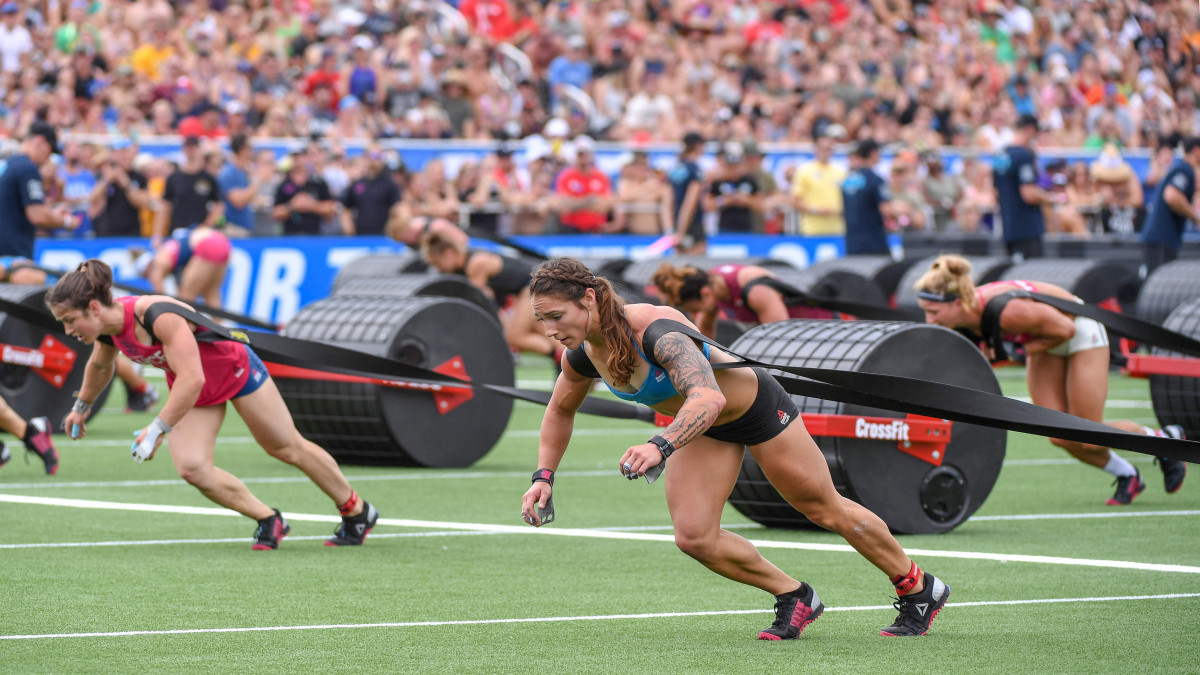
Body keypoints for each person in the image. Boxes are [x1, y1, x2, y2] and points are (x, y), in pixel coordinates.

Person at [522, 258, 950, 639]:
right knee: (694, 537)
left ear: (590, 299)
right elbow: (560, 409)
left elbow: (709, 398)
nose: (551, 331)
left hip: (755, 410)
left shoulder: (655, 332)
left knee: (822, 508)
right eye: (542, 320)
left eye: (557, 316)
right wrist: (544, 476)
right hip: (701, 429)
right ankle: (794, 595)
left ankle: (918, 586)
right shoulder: (580, 354)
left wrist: (660, 444)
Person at [49, 260, 380, 550]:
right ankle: (269, 519)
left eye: (69, 320)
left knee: (285, 447)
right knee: (192, 468)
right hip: (193, 389)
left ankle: (356, 510)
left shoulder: (156, 315)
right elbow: (100, 366)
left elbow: (193, 378)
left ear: (93, 307)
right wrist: (81, 405)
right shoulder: (108, 330)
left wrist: (158, 427)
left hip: (235, 371)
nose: (67, 330)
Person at [914, 254, 1187, 505]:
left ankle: (1166, 439)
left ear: (958, 302)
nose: (929, 320)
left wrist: (1012, 353)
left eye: (934, 313)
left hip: (1078, 332)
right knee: (1057, 433)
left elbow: (1064, 329)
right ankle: (1128, 475)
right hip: (1042, 341)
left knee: (1091, 437)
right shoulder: (964, 315)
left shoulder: (1008, 311)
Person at [419, 229, 560, 366]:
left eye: (438, 263)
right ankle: (564, 358)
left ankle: (561, 359)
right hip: (530, 287)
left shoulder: (475, 264)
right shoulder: (469, 260)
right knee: (541, 331)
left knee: (514, 336)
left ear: (449, 254)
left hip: (534, 285)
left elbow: (484, 300)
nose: (439, 269)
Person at [652, 262, 833, 339]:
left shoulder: (755, 291)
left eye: (694, 309)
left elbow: (780, 337)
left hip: (821, 330)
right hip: (799, 333)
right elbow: (704, 331)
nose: (693, 314)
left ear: (705, 293)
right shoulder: (714, 286)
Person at [0, 121, 78, 259]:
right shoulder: (28, 168)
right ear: (40, 141)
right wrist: (66, 221)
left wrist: (52, 213)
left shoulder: (8, 164)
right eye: (49, 150)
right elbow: (37, 216)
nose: (49, 158)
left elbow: (15, 209)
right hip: (12, 256)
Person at [993, 114, 1062, 259]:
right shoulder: (1024, 155)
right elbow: (1029, 194)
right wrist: (1051, 198)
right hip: (1027, 230)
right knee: (1030, 277)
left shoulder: (1001, 155)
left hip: (1009, 229)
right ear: (1030, 130)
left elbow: (996, 192)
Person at [1141, 137, 1200, 275]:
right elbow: (1171, 196)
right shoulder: (1185, 170)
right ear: (1196, 151)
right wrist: (1194, 216)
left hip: (1159, 239)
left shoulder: (1179, 169)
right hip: (1162, 240)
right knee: (1156, 287)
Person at [136, 225, 232, 310]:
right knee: (211, 293)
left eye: (146, 276)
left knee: (185, 299)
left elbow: (160, 296)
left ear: (147, 269)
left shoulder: (157, 263)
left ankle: (187, 329)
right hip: (222, 241)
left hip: (207, 244)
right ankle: (220, 327)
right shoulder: (166, 250)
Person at [155, 136, 224, 242]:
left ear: (199, 149)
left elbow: (219, 205)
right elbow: (164, 206)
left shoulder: (207, 178)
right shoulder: (174, 178)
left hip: (199, 234)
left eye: (193, 147)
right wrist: (158, 235)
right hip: (177, 231)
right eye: (188, 147)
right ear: (183, 150)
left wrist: (207, 225)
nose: (190, 150)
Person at [841, 139, 896, 256]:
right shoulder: (875, 180)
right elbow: (886, 210)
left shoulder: (847, 181)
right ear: (873, 153)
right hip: (874, 243)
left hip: (852, 243)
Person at [790, 126, 847, 237]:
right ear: (816, 149)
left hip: (837, 229)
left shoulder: (841, 171)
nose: (827, 152)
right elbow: (795, 201)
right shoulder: (804, 171)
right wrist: (817, 210)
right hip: (812, 230)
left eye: (829, 149)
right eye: (823, 149)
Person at [89, 138, 150, 237]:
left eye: (126, 152)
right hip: (106, 233)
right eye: (120, 152)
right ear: (112, 155)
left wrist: (126, 184)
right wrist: (106, 180)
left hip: (132, 233)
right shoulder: (103, 176)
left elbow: (143, 203)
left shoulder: (139, 177)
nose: (124, 156)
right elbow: (93, 200)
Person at [340, 147, 402, 236]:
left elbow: (397, 207)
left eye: (378, 156)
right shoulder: (358, 183)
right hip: (360, 235)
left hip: (383, 235)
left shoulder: (389, 184)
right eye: (373, 156)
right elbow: (346, 206)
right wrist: (348, 226)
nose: (375, 160)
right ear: (366, 158)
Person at [668, 131, 707, 255]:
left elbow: (668, 200)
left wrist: (670, 228)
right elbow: (690, 202)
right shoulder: (694, 169)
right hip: (691, 223)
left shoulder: (675, 168)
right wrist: (681, 231)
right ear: (698, 146)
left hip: (675, 219)